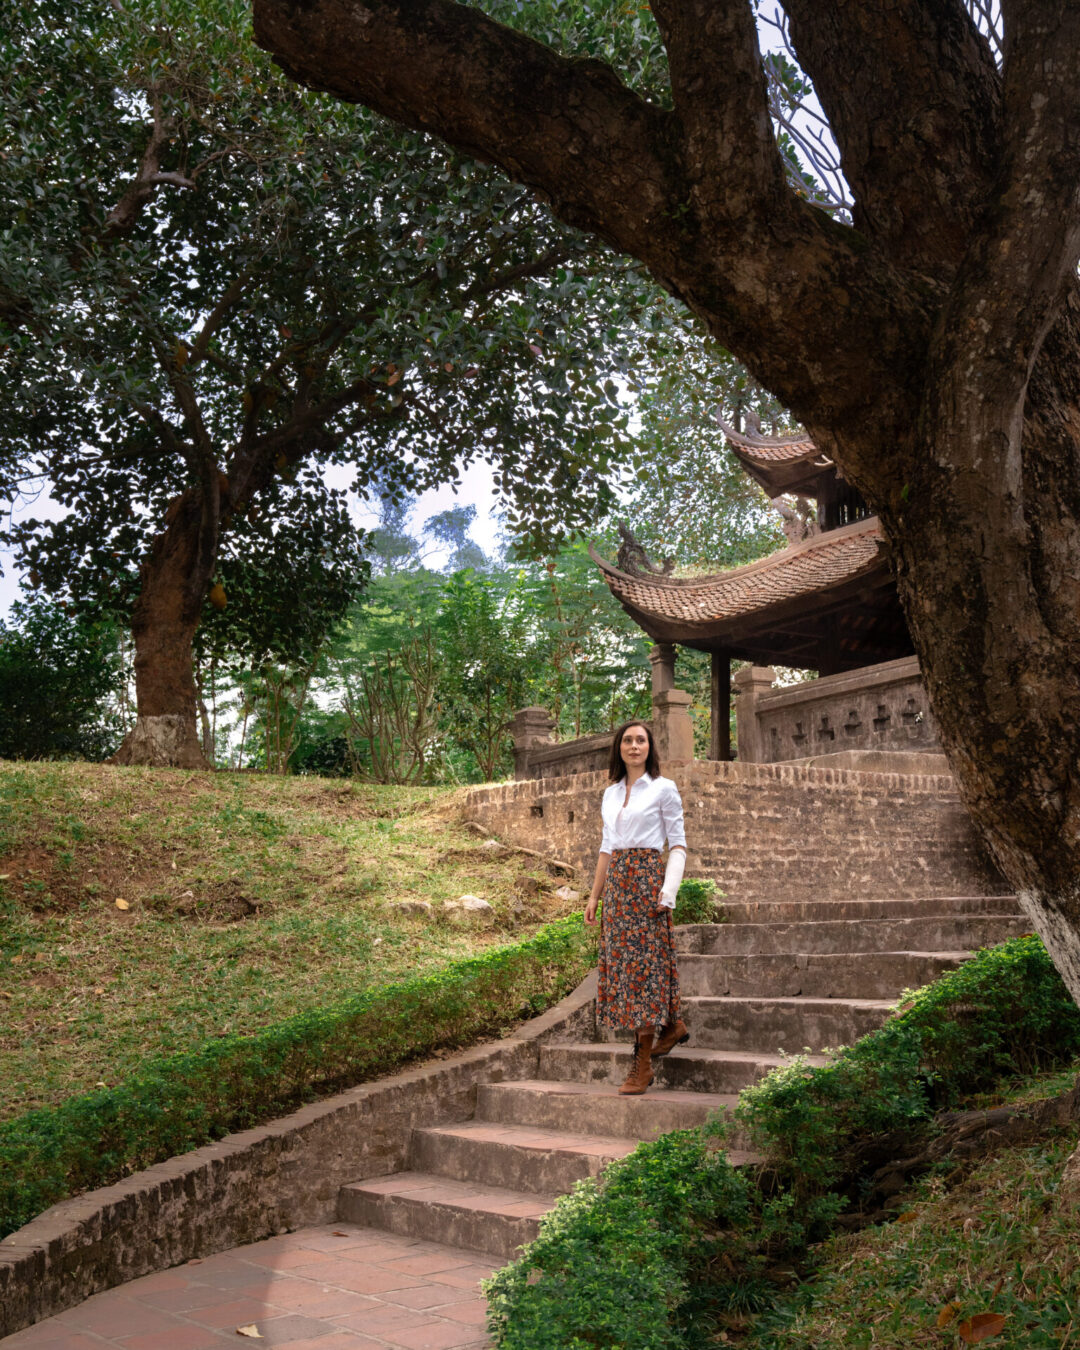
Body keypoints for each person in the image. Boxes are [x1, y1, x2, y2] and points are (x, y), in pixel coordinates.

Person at [584, 720, 689, 1095]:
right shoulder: (611, 794)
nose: (633, 746)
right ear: (619, 747)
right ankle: (672, 1023)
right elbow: (606, 849)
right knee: (628, 975)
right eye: (627, 740)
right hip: (617, 890)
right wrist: (595, 896)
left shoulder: (664, 789)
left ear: (649, 747)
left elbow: (677, 844)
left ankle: (641, 1066)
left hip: (647, 883)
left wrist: (668, 890)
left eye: (640, 740)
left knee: (644, 972)